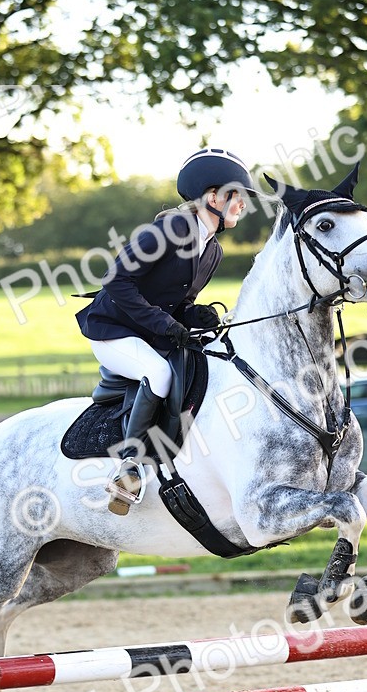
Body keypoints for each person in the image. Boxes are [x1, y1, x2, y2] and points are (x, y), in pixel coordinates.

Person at [76, 147, 256, 514]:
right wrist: (166, 324)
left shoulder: (213, 251)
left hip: (146, 332)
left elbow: (176, 301)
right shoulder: (171, 228)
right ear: (212, 197)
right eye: (237, 196)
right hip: (112, 329)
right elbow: (116, 279)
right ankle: (128, 466)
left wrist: (197, 316)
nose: (243, 205)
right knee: (157, 372)